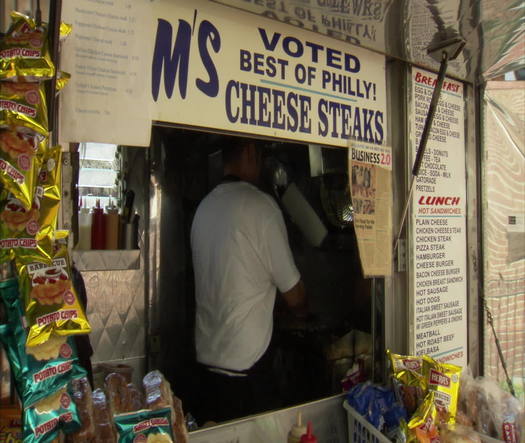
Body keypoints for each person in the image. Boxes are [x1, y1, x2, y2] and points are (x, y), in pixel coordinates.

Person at [190, 136, 307, 423]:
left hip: (205, 369)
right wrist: (302, 311)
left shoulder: (203, 208)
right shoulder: (261, 208)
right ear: (250, 151)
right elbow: (295, 295)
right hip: (247, 372)